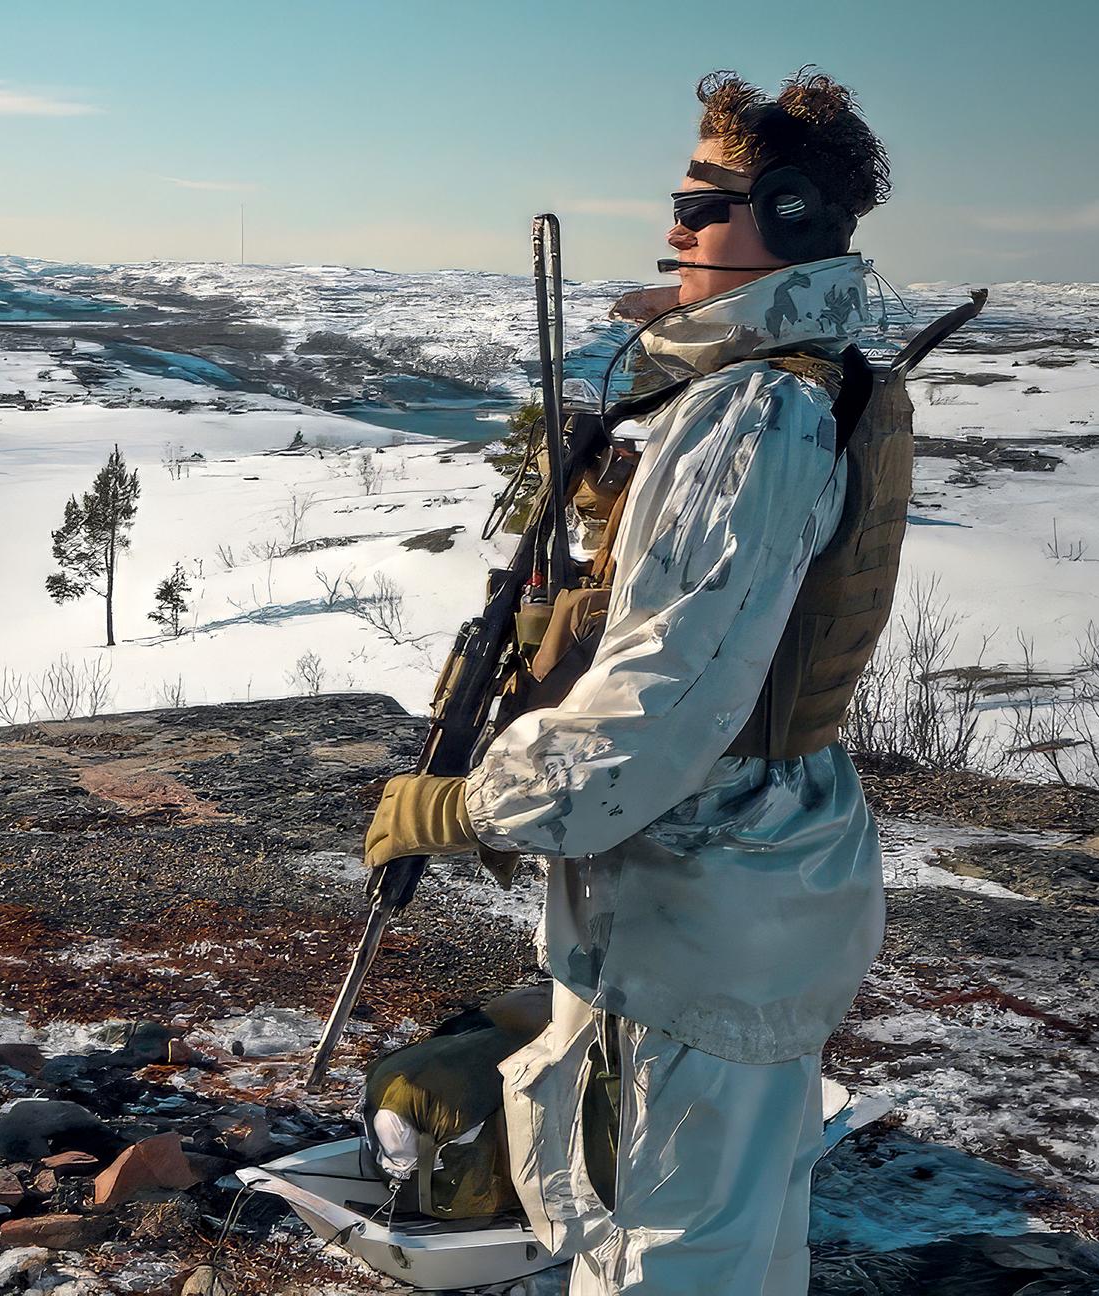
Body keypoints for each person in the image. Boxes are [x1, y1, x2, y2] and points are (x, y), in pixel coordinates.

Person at [365, 67, 893, 1295]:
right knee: (731, 1247)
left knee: (656, 1254)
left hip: (692, 919)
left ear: (790, 219)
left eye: (701, 205)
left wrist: (471, 807)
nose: (675, 229)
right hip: (753, 897)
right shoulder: (819, 383)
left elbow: (664, 700)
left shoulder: (755, 415)